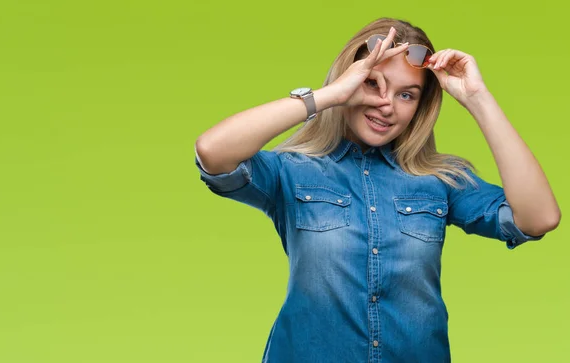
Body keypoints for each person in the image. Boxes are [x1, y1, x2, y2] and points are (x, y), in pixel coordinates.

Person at [193, 17, 561, 363]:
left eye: (407, 95)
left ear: (420, 106)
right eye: (373, 83)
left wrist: (478, 98)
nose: (386, 106)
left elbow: (539, 218)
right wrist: (330, 95)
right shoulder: (291, 171)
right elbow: (212, 152)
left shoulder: (441, 179)